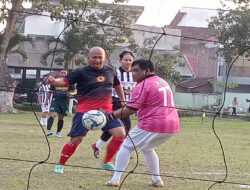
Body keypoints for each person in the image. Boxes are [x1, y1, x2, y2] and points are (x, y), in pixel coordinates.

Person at [46, 47, 126, 174]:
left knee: (120, 134)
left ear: (104, 58)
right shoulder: (80, 72)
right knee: (76, 139)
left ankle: (105, 162)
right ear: (88, 58)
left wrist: (122, 100)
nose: (97, 60)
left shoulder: (110, 71)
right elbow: (64, 82)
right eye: (94, 57)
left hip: (106, 112)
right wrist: (54, 81)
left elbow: (117, 86)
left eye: (100, 57)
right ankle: (60, 164)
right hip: (85, 112)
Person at [104, 59, 179, 187]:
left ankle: (115, 179)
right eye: (132, 71)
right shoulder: (162, 81)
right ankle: (156, 179)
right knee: (147, 148)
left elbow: (130, 109)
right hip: (172, 124)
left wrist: (109, 116)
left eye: (137, 71)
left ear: (147, 70)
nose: (133, 74)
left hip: (153, 123)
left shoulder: (143, 85)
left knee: (126, 146)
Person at [92, 50, 136, 170]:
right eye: (125, 60)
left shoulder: (135, 73)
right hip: (115, 102)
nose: (128, 62)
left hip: (128, 103)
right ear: (120, 60)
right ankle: (124, 150)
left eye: (130, 60)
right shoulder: (114, 72)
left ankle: (97, 145)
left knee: (115, 128)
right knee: (123, 126)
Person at [45, 69, 77, 138]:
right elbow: (50, 92)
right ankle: (48, 131)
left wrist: (71, 93)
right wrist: (46, 100)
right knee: (52, 115)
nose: (63, 74)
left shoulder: (70, 82)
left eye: (65, 73)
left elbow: (75, 91)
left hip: (64, 102)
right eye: (62, 72)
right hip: (55, 101)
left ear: (67, 74)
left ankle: (58, 132)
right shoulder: (55, 81)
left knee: (61, 118)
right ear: (59, 74)